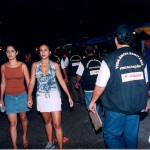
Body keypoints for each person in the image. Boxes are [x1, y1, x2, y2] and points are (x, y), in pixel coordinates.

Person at [89, 24, 150, 148]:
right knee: (131, 136)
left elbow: (100, 86)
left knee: (111, 136)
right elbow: (145, 83)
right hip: (135, 105)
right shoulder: (141, 58)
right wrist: (147, 99)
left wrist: (93, 101)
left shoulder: (109, 59)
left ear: (116, 39)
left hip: (115, 107)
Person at [27, 44, 73, 149]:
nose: (43, 52)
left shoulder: (55, 65)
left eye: (45, 50)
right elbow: (32, 83)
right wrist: (29, 96)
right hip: (41, 97)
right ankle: (50, 143)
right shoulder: (35, 65)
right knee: (47, 121)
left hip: (54, 96)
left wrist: (69, 97)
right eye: (41, 50)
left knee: (57, 123)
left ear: (50, 52)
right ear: (39, 53)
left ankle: (60, 148)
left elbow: (61, 81)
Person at [0, 45, 30, 149]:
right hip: (9, 98)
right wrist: (1, 99)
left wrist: (29, 97)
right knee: (12, 123)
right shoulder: (3, 67)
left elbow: (28, 82)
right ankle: (15, 147)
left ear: (16, 53)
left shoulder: (23, 66)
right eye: (8, 51)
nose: (10, 53)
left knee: (23, 118)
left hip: (22, 96)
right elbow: (3, 84)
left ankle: (24, 136)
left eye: (12, 51)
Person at [76, 45, 102, 111]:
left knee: (90, 104)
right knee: (98, 102)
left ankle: (94, 119)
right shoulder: (101, 60)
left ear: (85, 52)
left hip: (88, 87)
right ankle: (98, 114)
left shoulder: (83, 61)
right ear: (94, 51)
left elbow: (79, 74)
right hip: (100, 86)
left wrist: (77, 82)